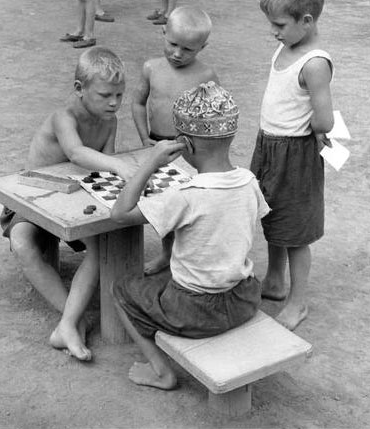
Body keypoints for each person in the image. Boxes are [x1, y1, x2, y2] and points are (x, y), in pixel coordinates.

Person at [111, 81, 269, 390]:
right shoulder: (250, 182)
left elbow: (119, 213)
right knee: (165, 277)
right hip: (244, 299)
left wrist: (150, 162)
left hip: (194, 312)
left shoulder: (186, 195)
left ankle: (160, 371)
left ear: (187, 144)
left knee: (122, 290)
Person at [0, 47, 137, 361]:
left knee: (100, 249)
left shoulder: (109, 121)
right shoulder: (63, 117)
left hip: (76, 201)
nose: (115, 103)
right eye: (106, 95)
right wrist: (118, 166)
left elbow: (102, 166)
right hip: (35, 197)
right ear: (79, 89)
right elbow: (77, 153)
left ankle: (67, 324)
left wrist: (115, 169)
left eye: (119, 95)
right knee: (21, 243)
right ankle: (73, 318)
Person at [250, 0, 334, 331]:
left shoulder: (314, 63)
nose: (274, 31)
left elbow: (326, 118)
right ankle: (274, 279)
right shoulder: (286, 46)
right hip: (268, 145)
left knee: (296, 231)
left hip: (295, 154)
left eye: (280, 24)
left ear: (307, 21)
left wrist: (317, 133)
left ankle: (297, 303)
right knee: (272, 215)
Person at [131, 6, 219, 274]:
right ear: (163, 32)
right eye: (173, 44)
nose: (178, 54)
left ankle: (191, 256)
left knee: (193, 203)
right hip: (157, 145)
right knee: (164, 201)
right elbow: (137, 102)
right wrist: (143, 135)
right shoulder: (151, 68)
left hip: (192, 150)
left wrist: (204, 147)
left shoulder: (206, 76)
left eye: (188, 49)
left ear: (202, 47)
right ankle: (167, 254)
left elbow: (217, 115)